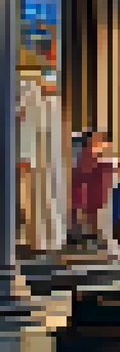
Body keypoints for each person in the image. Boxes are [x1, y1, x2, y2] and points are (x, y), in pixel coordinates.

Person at [17, 72, 66, 253]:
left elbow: (28, 133)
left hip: (37, 163)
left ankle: (41, 240)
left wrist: (25, 158)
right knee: (45, 200)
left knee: (38, 201)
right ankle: (46, 239)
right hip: (46, 162)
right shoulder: (50, 105)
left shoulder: (32, 103)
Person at [69, 131, 117, 252]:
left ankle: (91, 239)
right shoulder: (88, 154)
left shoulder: (96, 154)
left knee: (91, 215)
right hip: (87, 191)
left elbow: (82, 171)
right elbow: (81, 172)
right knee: (87, 215)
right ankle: (85, 239)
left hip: (93, 191)